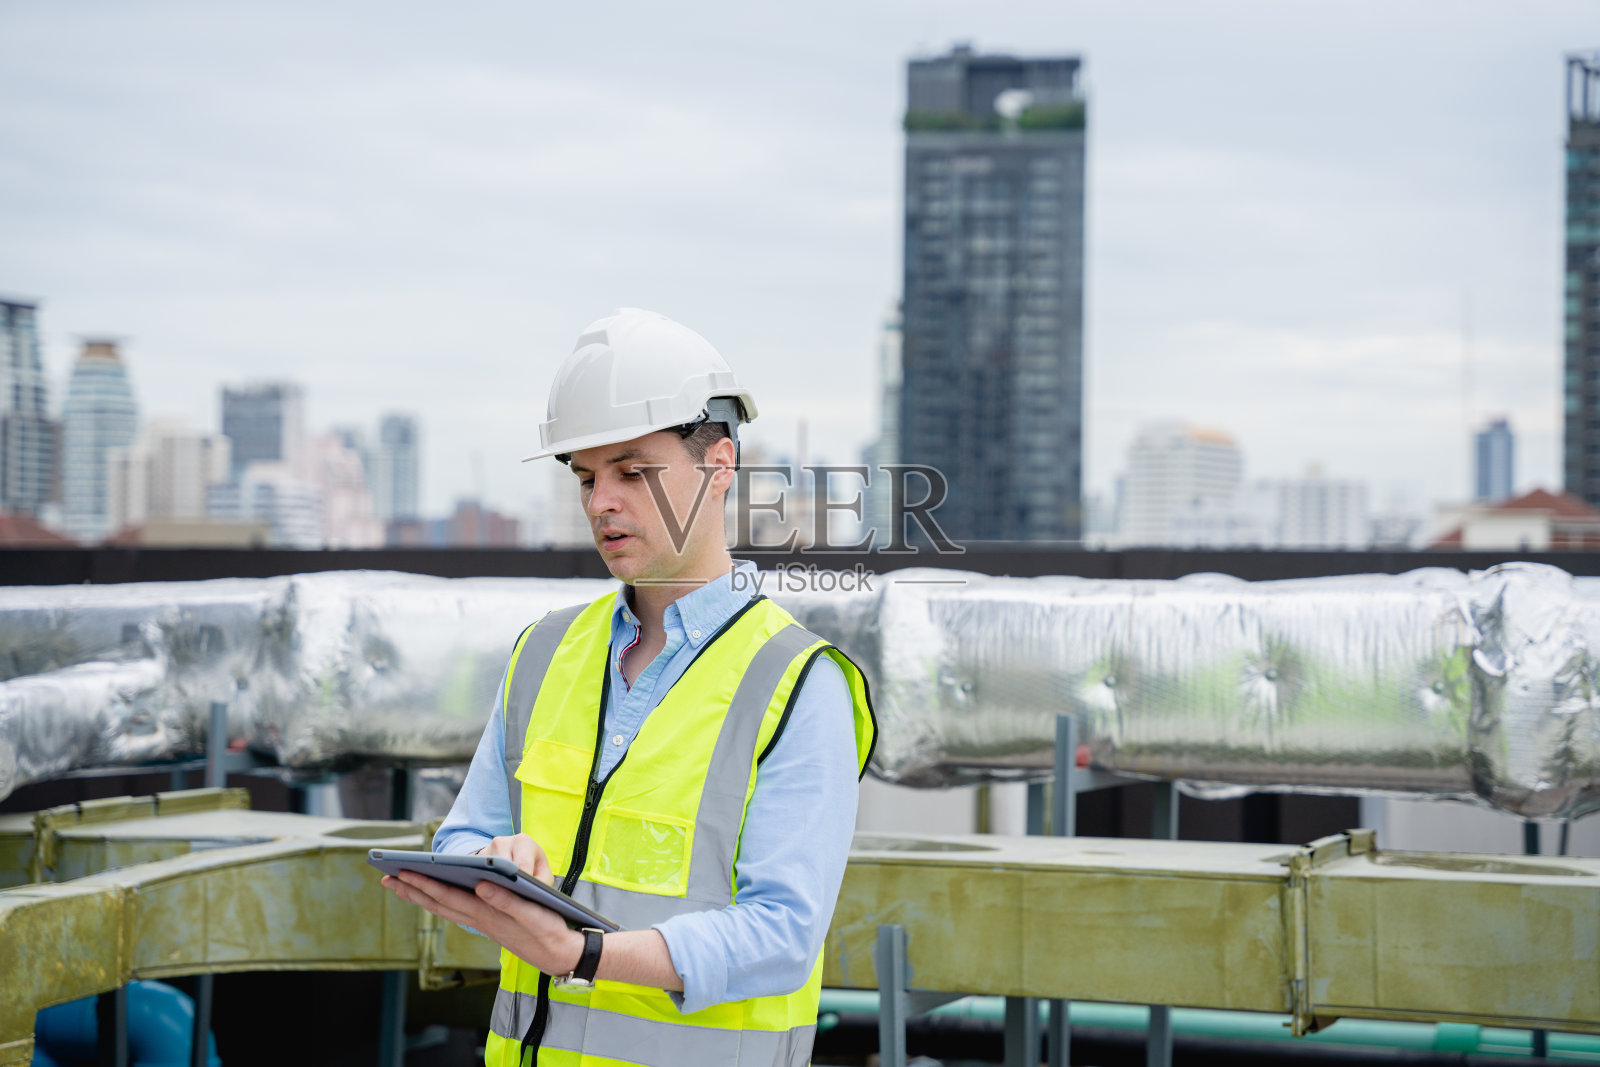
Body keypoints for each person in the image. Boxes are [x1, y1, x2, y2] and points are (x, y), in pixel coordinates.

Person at [382, 307, 876, 1067]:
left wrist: (580, 953)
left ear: (718, 468)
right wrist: (499, 863)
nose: (600, 502)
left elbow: (781, 934)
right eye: (585, 476)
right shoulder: (545, 652)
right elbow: (461, 839)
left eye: (632, 472)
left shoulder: (798, 682)